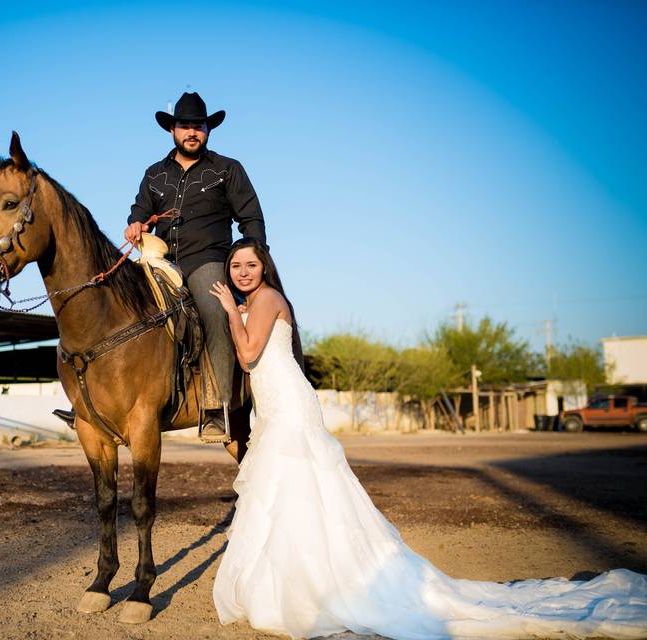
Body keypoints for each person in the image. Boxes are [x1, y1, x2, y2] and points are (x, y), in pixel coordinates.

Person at [209, 238, 647, 639]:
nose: (243, 272)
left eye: (250, 264)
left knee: (298, 489)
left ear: (264, 268)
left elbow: (248, 357)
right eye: (235, 266)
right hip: (276, 406)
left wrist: (231, 309)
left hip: (288, 404)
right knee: (287, 492)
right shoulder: (257, 300)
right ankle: (295, 581)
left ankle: (310, 587)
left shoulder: (264, 298)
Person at [125, 91, 266, 440]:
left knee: (216, 311)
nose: (192, 132)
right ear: (172, 130)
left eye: (198, 126)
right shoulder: (154, 174)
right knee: (118, 306)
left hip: (207, 261)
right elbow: (139, 210)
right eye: (185, 126)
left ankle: (217, 407)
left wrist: (254, 264)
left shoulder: (227, 170)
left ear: (208, 129)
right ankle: (102, 403)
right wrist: (135, 223)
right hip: (159, 264)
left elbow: (251, 219)